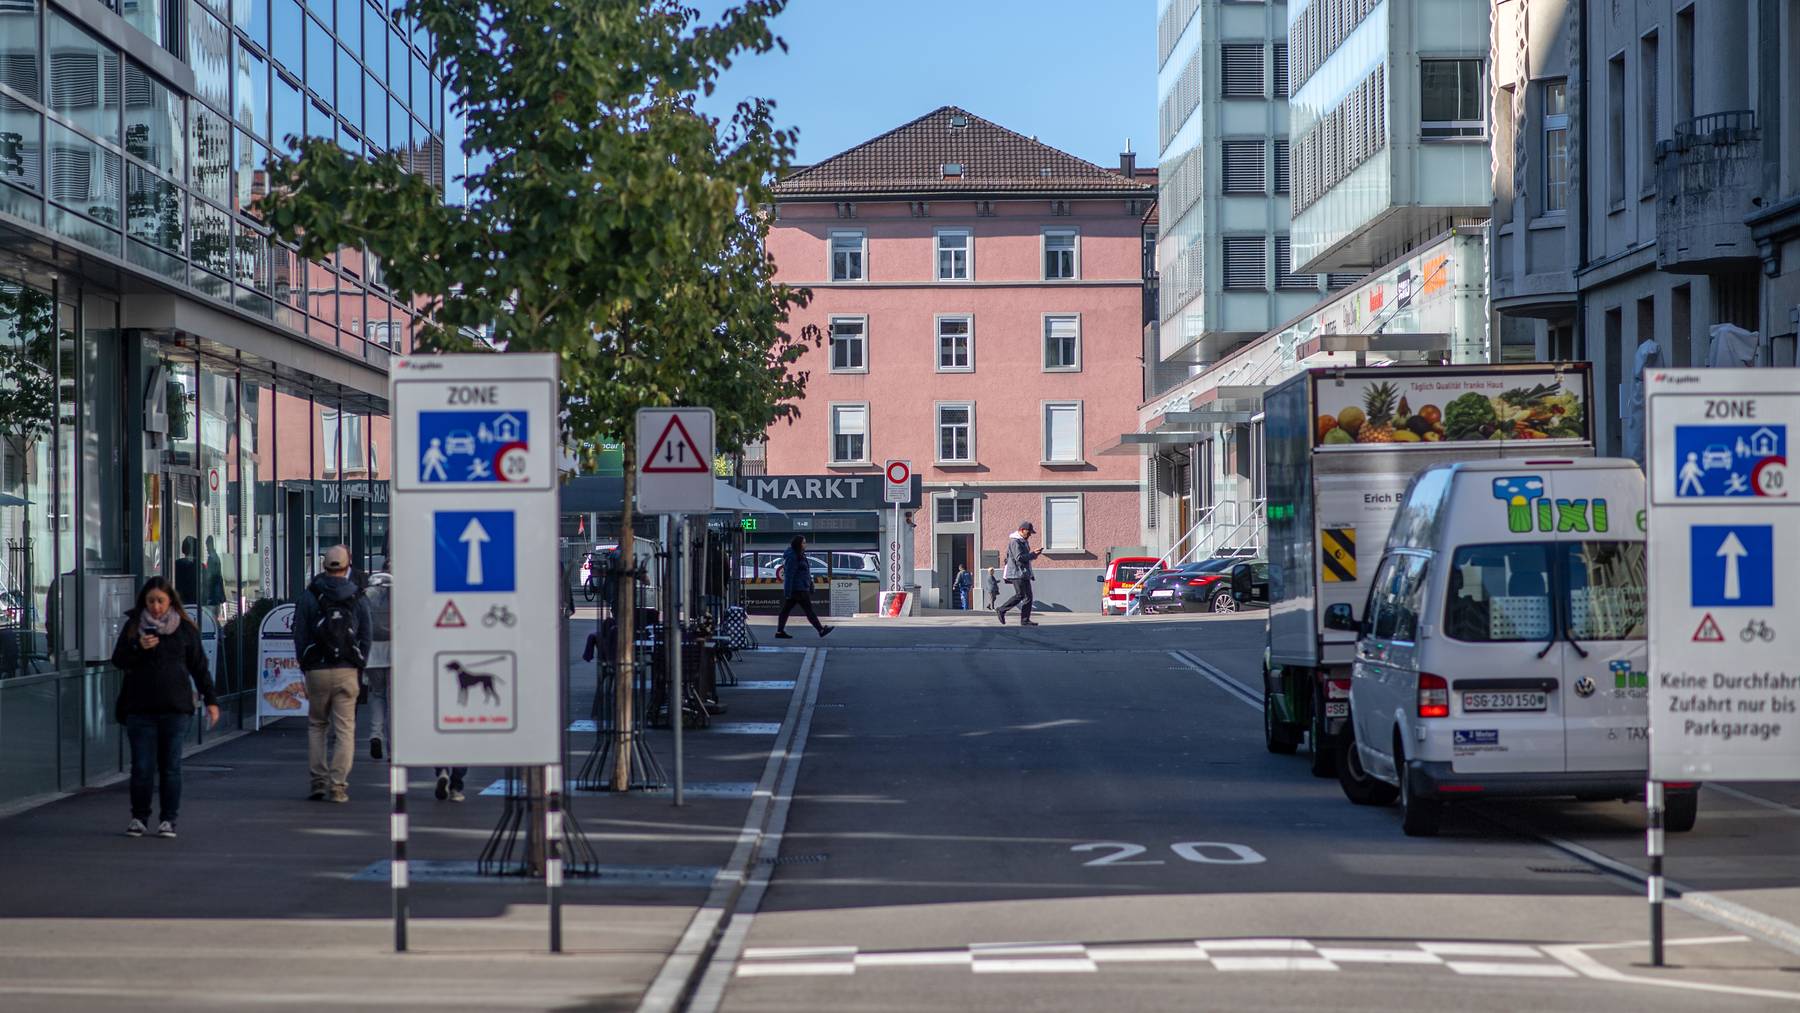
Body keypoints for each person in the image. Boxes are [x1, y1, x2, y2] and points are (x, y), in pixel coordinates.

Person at [111, 577, 220, 839]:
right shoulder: (134, 627)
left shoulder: (183, 629)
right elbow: (118, 659)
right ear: (144, 602)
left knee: (171, 766)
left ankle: (168, 819)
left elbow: (199, 667)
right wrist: (138, 646)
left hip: (175, 709)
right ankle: (139, 817)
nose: (156, 606)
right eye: (151, 601)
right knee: (142, 767)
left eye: (160, 600)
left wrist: (211, 700)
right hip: (140, 709)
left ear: (171, 600)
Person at [293, 544, 372, 803]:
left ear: (323, 567)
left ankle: (318, 781)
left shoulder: (309, 595)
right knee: (345, 729)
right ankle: (338, 786)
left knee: (317, 725)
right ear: (348, 567)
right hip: (347, 669)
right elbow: (366, 636)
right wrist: (359, 664)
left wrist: (304, 665)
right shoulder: (358, 596)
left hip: (317, 669)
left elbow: (300, 634)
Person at [362, 558, 393, 761]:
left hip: (373, 653)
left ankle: (375, 734)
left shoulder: (368, 593)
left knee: (377, 694)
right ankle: (394, 748)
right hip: (396, 651)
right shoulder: (404, 592)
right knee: (395, 700)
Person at [774, 535, 833, 640]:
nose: (806, 544)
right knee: (808, 610)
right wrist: (787, 592)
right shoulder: (793, 557)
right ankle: (820, 630)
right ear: (799, 544)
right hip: (798, 589)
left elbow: (805, 573)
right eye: (804, 543)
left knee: (786, 611)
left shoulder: (800, 555)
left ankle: (780, 631)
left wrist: (810, 585)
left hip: (800, 588)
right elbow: (789, 575)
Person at [996, 521, 1043, 626]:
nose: (1030, 535)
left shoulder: (1023, 541)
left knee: (1028, 597)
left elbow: (1024, 557)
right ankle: (1001, 610)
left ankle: (1025, 620)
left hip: (1023, 573)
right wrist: (1033, 554)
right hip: (1016, 573)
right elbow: (1019, 558)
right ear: (1022, 530)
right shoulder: (1015, 541)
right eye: (1029, 532)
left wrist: (1033, 555)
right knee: (1020, 595)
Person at [203, 535, 226, 607]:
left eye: (207, 546)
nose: (206, 549)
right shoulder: (215, 557)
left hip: (213, 592)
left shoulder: (212, 558)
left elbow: (211, 576)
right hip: (216, 592)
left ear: (210, 545)